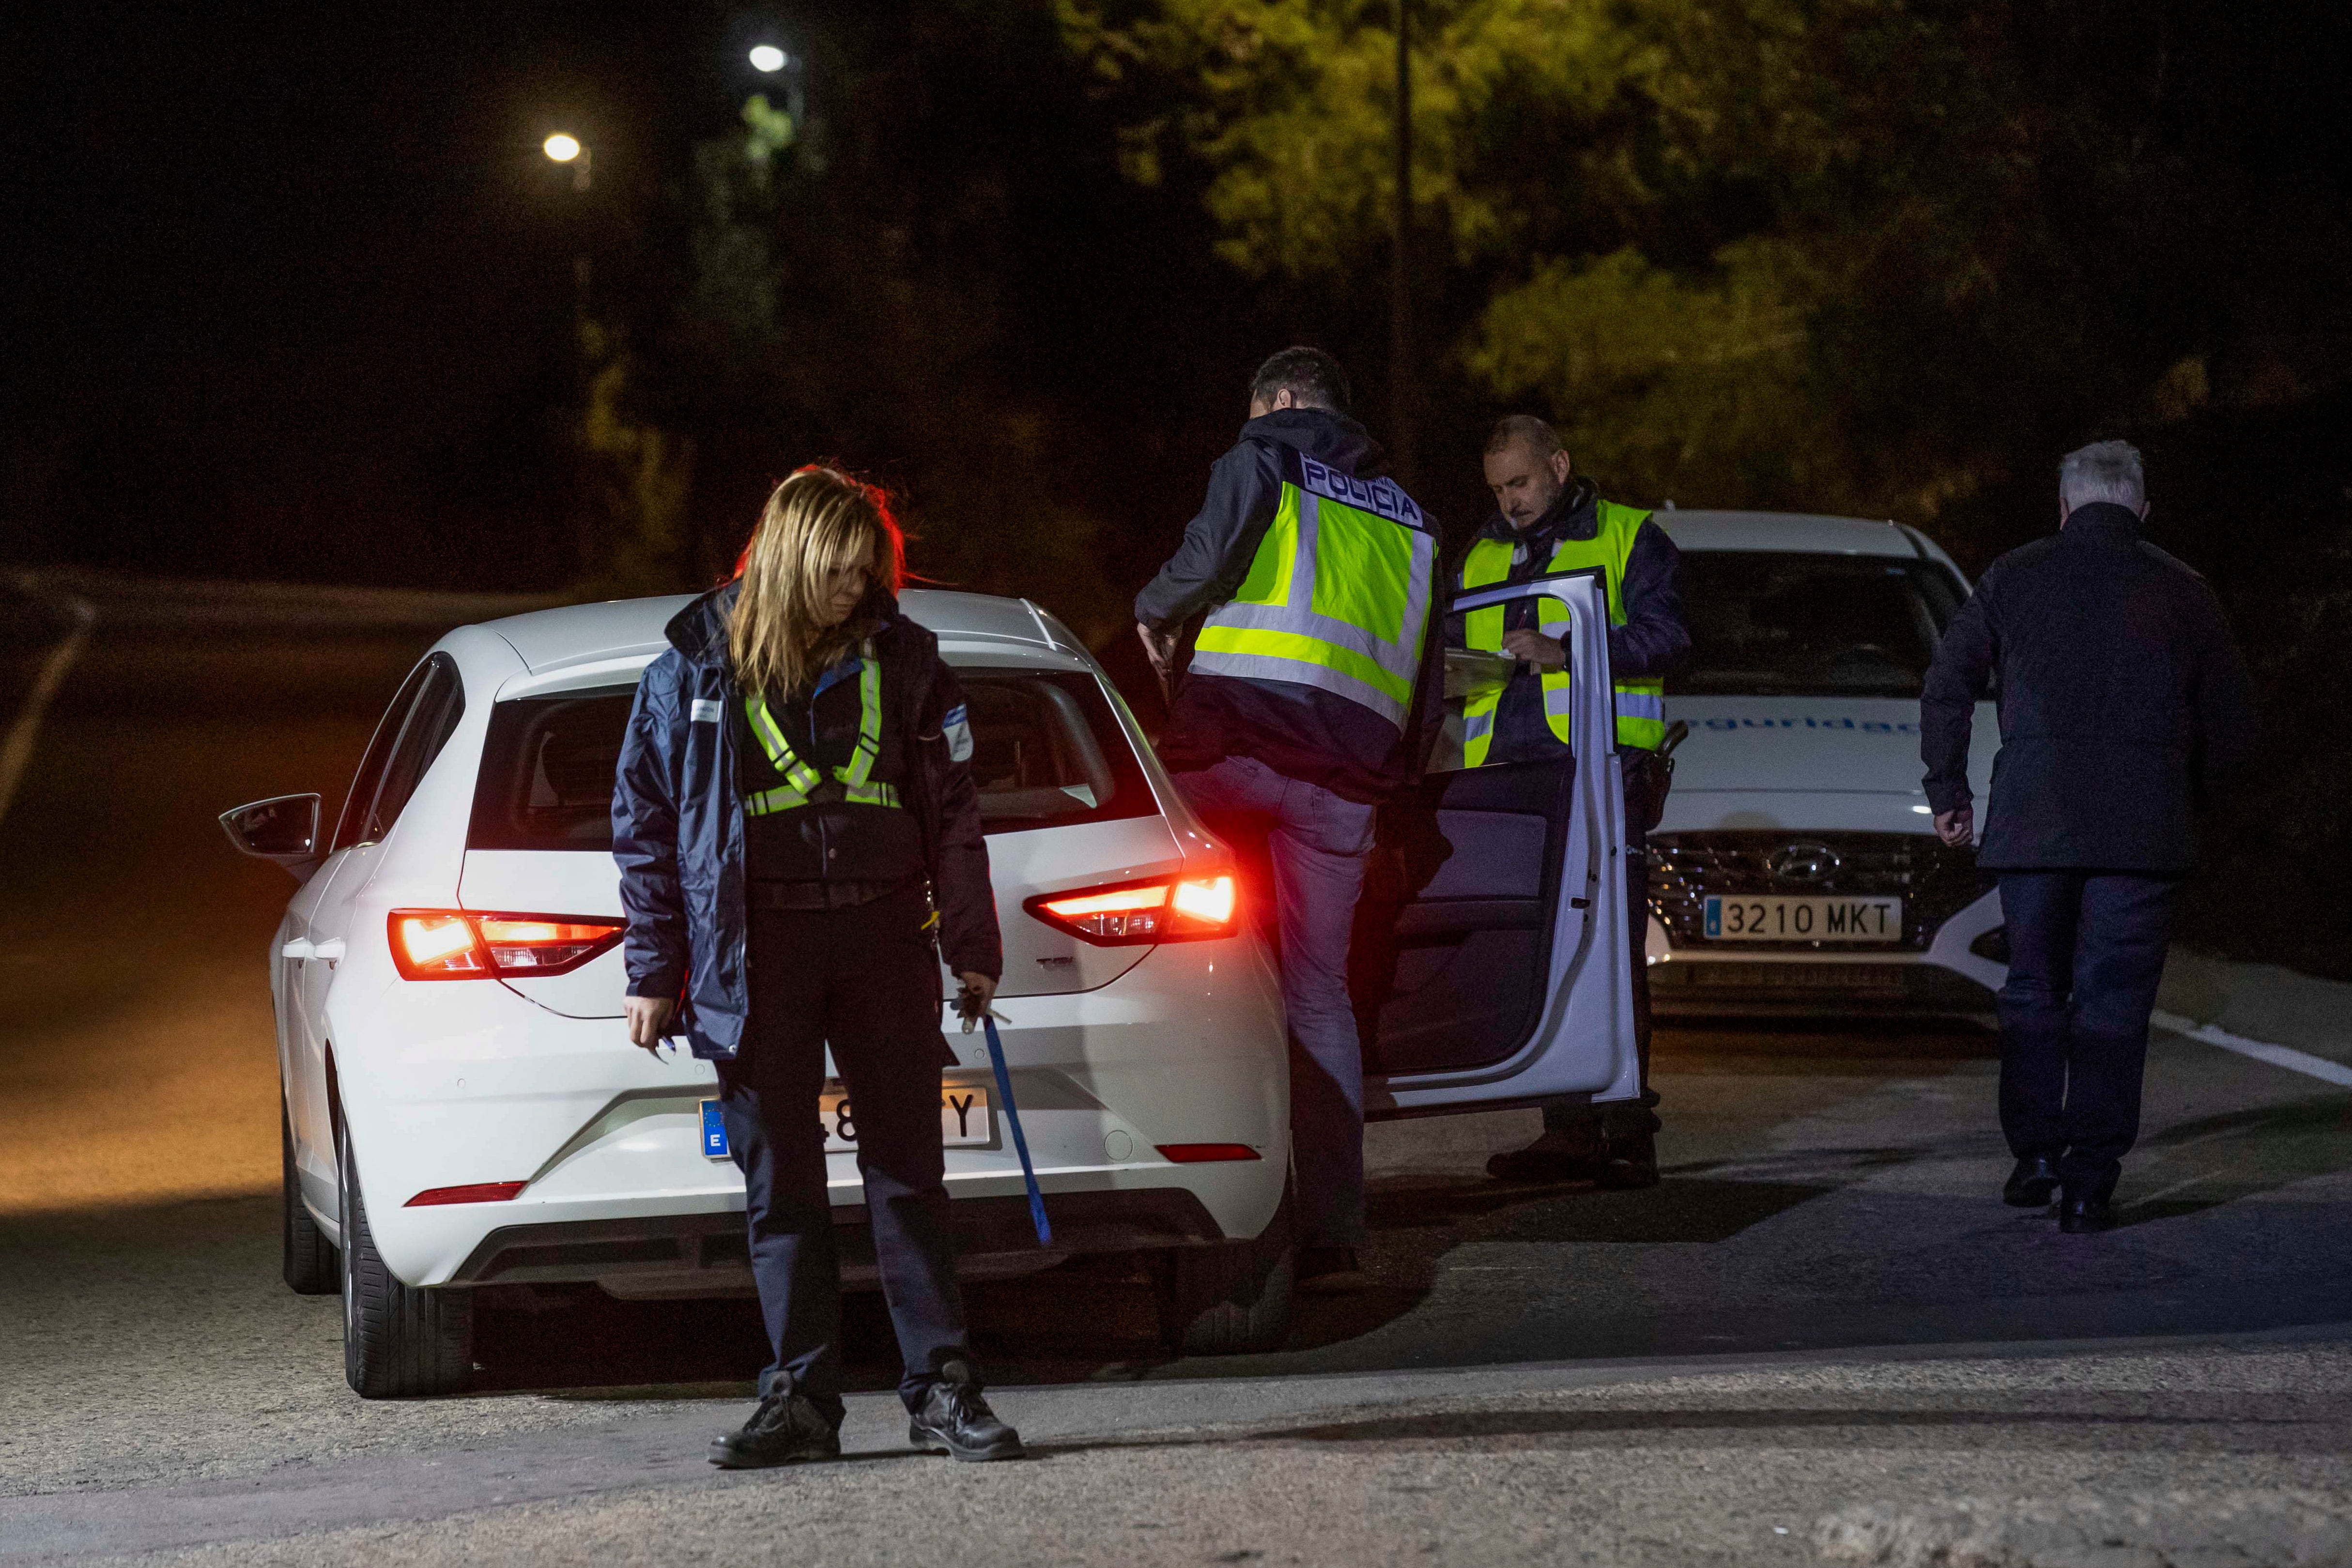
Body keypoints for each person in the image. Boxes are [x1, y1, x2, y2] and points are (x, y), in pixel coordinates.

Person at [613, 467, 1024, 1466]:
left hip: (884, 940)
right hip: (759, 956)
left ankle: (943, 1388)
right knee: (780, 1185)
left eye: (868, 571)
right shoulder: (695, 665)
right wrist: (653, 967)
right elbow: (647, 821)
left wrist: (970, 946)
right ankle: (800, 1398)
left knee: (910, 1175)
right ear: (793, 560)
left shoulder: (909, 660)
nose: (857, 590)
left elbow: (958, 815)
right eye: (839, 572)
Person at [1134, 346, 1444, 1294]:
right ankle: (1333, 1229)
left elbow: (1206, 557)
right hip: (1342, 783)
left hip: (1230, 753)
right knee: (1318, 996)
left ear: (1275, 401)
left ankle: (1205, 1208)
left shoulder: (1260, 457)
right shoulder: (1418, 524)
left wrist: (1150, 611)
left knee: (1192, 967)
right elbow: (1429, 683)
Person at [1921, 439, 2256, 1233]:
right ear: (2142, 510)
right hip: (2142, 831)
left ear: (2063, 506)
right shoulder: (2185, 590)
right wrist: (2194, 800)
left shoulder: (2011, 574)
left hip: (2034, 822)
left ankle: (2034, 1153)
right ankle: (2087, 1181)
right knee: (2113, 1002)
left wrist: (1948, 789)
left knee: (2033, 988)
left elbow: (1947, 682)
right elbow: (2233, 721)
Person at [1452, 415, 1689, 1188]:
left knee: (1610, 954)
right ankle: (1566, 1131)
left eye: (1519, 483)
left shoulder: (1629, 535)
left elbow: (1670, 638)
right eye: (1496, 488)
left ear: (1558, 463)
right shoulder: (1483, 553)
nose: (1509, 502)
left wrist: (1572, 649)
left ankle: (1625, 1130)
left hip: (1601, 775)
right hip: (1509, 778)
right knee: (1540, 954)